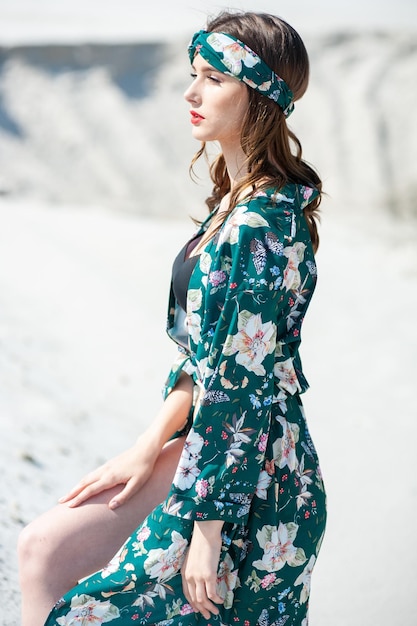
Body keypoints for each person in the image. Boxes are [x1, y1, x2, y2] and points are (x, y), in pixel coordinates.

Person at [18, 10, 327, 626]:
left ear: (260, 94)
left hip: (255, 484)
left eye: (213, 78)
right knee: (43, 551)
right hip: (216, 449)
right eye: (194, 75)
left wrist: (207, 534)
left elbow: (244, 383)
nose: (190, 93)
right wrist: (148, 443)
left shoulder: (262, 225)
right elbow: (207, 360)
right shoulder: (235, 205)